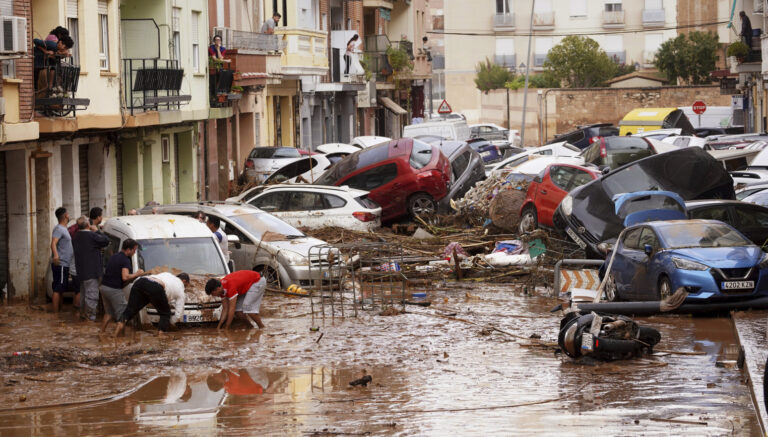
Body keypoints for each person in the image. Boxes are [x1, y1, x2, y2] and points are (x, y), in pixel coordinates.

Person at [115, 272, 190, 336]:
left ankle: (115, 335)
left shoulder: (168, 274)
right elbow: (179, 311)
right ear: (184, 281)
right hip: (155, 286)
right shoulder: (181, 289)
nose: (185, 287)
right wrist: (172, 322)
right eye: (186, 285)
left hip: (140, 281)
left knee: (130, 310)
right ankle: (161, 336)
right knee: (165, 314)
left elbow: (164, 294)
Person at [99, 239, 146, 333]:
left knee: (108, 312)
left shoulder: (114, 256)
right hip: (114, 290)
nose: (134, 252)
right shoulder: (125, 260)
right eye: (134, 250)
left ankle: (101, 332)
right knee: (124, 314)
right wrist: (137, 274)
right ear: (128, 249)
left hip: (104, 287)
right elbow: (125, 277)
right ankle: (118, 337)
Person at [72, 214, 109, 321]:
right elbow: (106, 241)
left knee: (84, 295)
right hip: (92, 272)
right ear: (88, 224)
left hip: (81, 272)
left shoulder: (76, 236)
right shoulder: (91, 236)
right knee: (92, 296)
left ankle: (83, 316)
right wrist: (96, 230)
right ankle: (90, 318)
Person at [50, 207, 73, 313]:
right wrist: (56, 255)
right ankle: (55, 315)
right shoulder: (59, 228)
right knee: (58, 289)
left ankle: (59, 311)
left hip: (65, 263)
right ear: (65, 216)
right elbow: (53, 242)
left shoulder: (64, 228)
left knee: (61, 289)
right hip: (61, 263)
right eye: (68, 213)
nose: (69, 214)